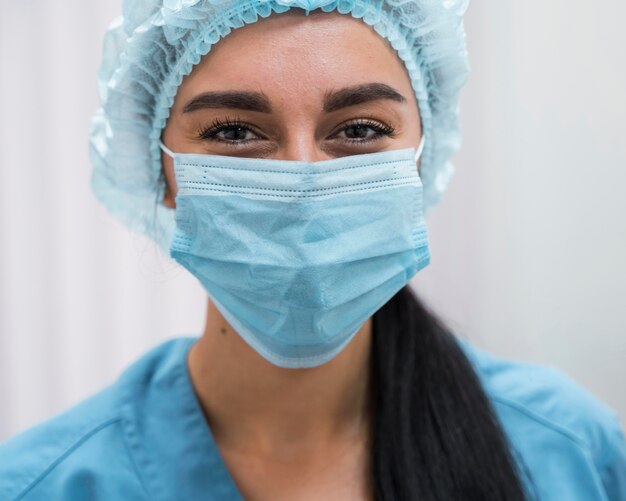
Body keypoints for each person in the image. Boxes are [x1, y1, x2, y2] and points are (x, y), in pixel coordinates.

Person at [1, 0, 625, 499]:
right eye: (234, 131)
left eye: (359, 129)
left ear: (419, 157)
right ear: (161, 172)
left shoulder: (570, 454)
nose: (302, 182)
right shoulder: (45, 484)